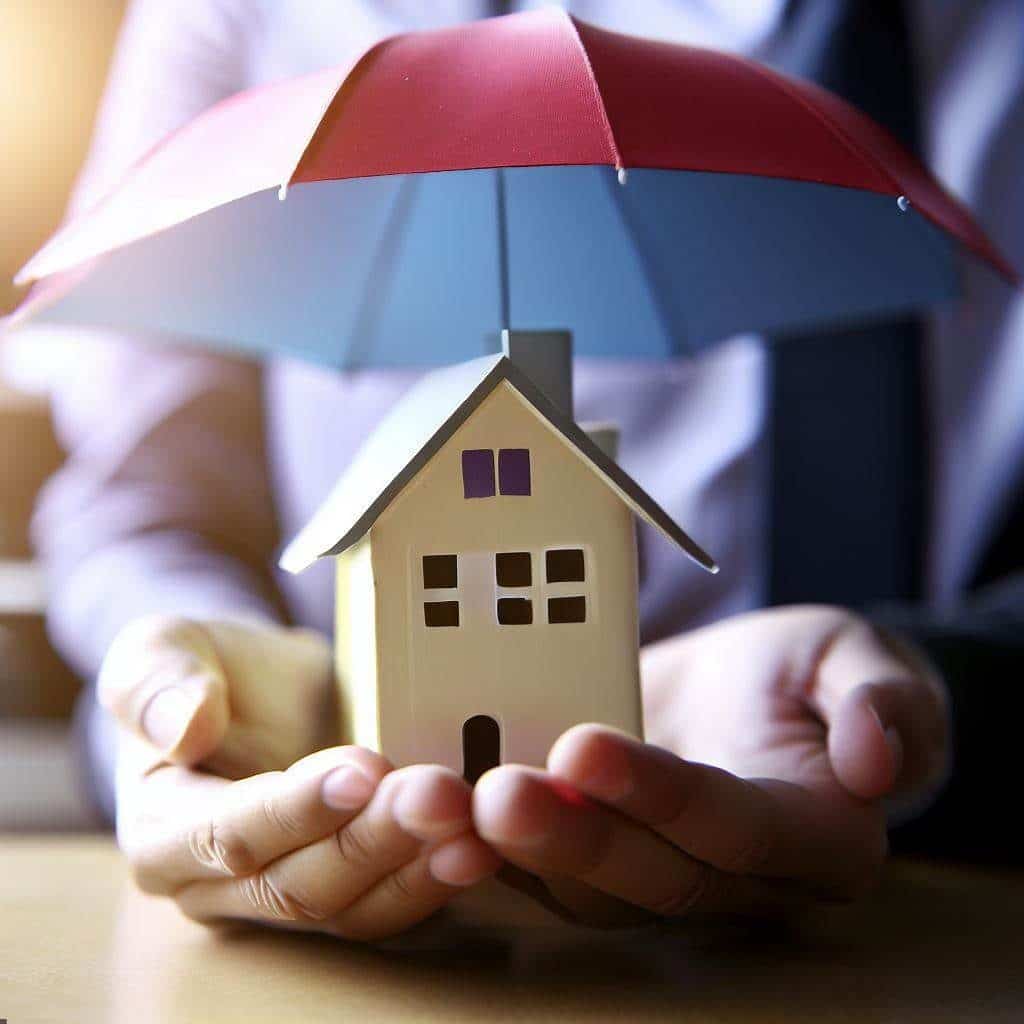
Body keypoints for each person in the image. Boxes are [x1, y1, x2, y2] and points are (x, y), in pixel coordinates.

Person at [29, 0, 1021, 939]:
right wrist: (198, 715)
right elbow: (142, 508)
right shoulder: (236, 18)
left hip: (933, 903)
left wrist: (936, 684)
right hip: (356, 857)